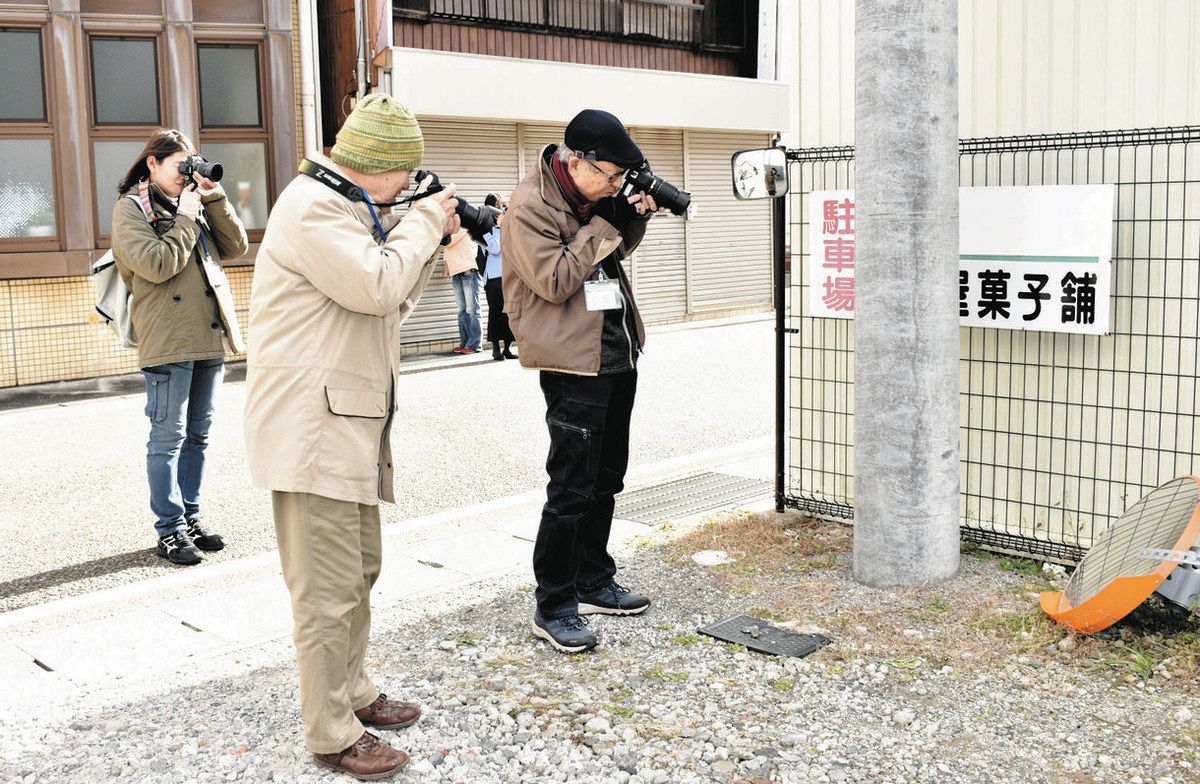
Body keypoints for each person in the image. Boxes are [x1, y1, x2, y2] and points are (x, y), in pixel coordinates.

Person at [243, 94, 460, 780]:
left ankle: (354, 689)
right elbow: (374, 285)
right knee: (326, 589)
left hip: (345, 425)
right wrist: (426, 218)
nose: (411, 188)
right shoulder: (312, 206)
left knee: (358, 572)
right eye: (408, 176)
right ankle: (331, 730)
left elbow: (391, 297)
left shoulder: (343, 210)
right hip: (312, 431)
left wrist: (427, 241)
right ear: (383, 168)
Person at [501, 109, 665, 654]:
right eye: (612, 176)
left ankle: (594, 580)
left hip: (615, 351)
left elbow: (614, 254)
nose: (616, 186)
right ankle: (554, 603)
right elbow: (554, 280)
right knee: (571, 483)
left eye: (622, 179)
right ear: (578, 162)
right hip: (572, 361)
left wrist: (631, 215)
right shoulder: (529, 206)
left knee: (607, 476)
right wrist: (606, 220)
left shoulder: (594, 198)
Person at [110, 128, 248, 566]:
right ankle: (168, 530)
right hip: (167, 342)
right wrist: (187, 217)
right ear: (152, 163)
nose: (184, 174)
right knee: (166, 438)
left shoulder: (192, 202)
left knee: (198, 435)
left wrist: (213, 197)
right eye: (178, 167)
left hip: (208, 335)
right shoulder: (131, 209)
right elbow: (156, 264)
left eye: (190, 165)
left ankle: (190, 517)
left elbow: (236, 246)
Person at [481, 193, 516, 361]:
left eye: (503, 205)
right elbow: (494, 249)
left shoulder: (507, 227)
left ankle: (508, 348)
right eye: (499, 205)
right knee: (496, 313)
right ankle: (495, 348)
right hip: (494, 277)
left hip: (509, 274)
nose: (502, 208)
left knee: (510, 311)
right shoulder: (484, 228)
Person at [442, 224, 482, 354]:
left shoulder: (463, 226)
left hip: (468, 270)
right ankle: (465, 342)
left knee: (472, 309)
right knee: (462, 311)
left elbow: (448, 242)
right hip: (456, 272)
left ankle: (475, 344)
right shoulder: (449, 230)